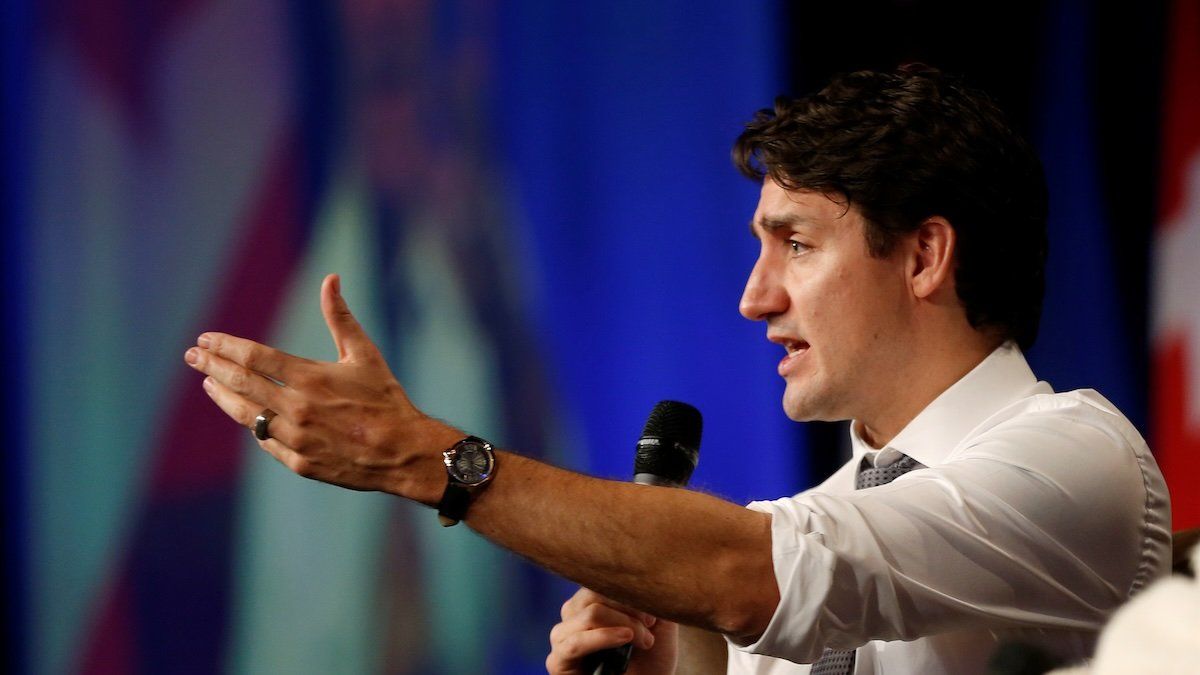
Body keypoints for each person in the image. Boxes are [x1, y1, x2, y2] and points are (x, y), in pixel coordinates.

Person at [183, 65, 1172, 673]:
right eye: (757, 247)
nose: (755, 296)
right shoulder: (825, 509)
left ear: (923, 256)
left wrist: (424, 461)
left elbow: (759, 571)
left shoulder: (1075, 459)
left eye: (796, 245)